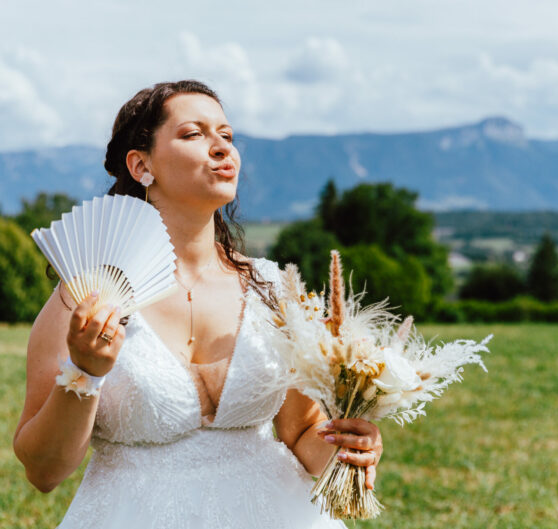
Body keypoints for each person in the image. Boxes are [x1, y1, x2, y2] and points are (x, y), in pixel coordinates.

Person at [13, 80, 383, 528]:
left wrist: (348, 447)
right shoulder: (85, 297)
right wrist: (84, 372)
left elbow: (301, 433)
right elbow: (44, 472)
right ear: (141, 164)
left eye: (226, 136)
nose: (221, 148)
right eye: (194, 134)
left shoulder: (272, 287)